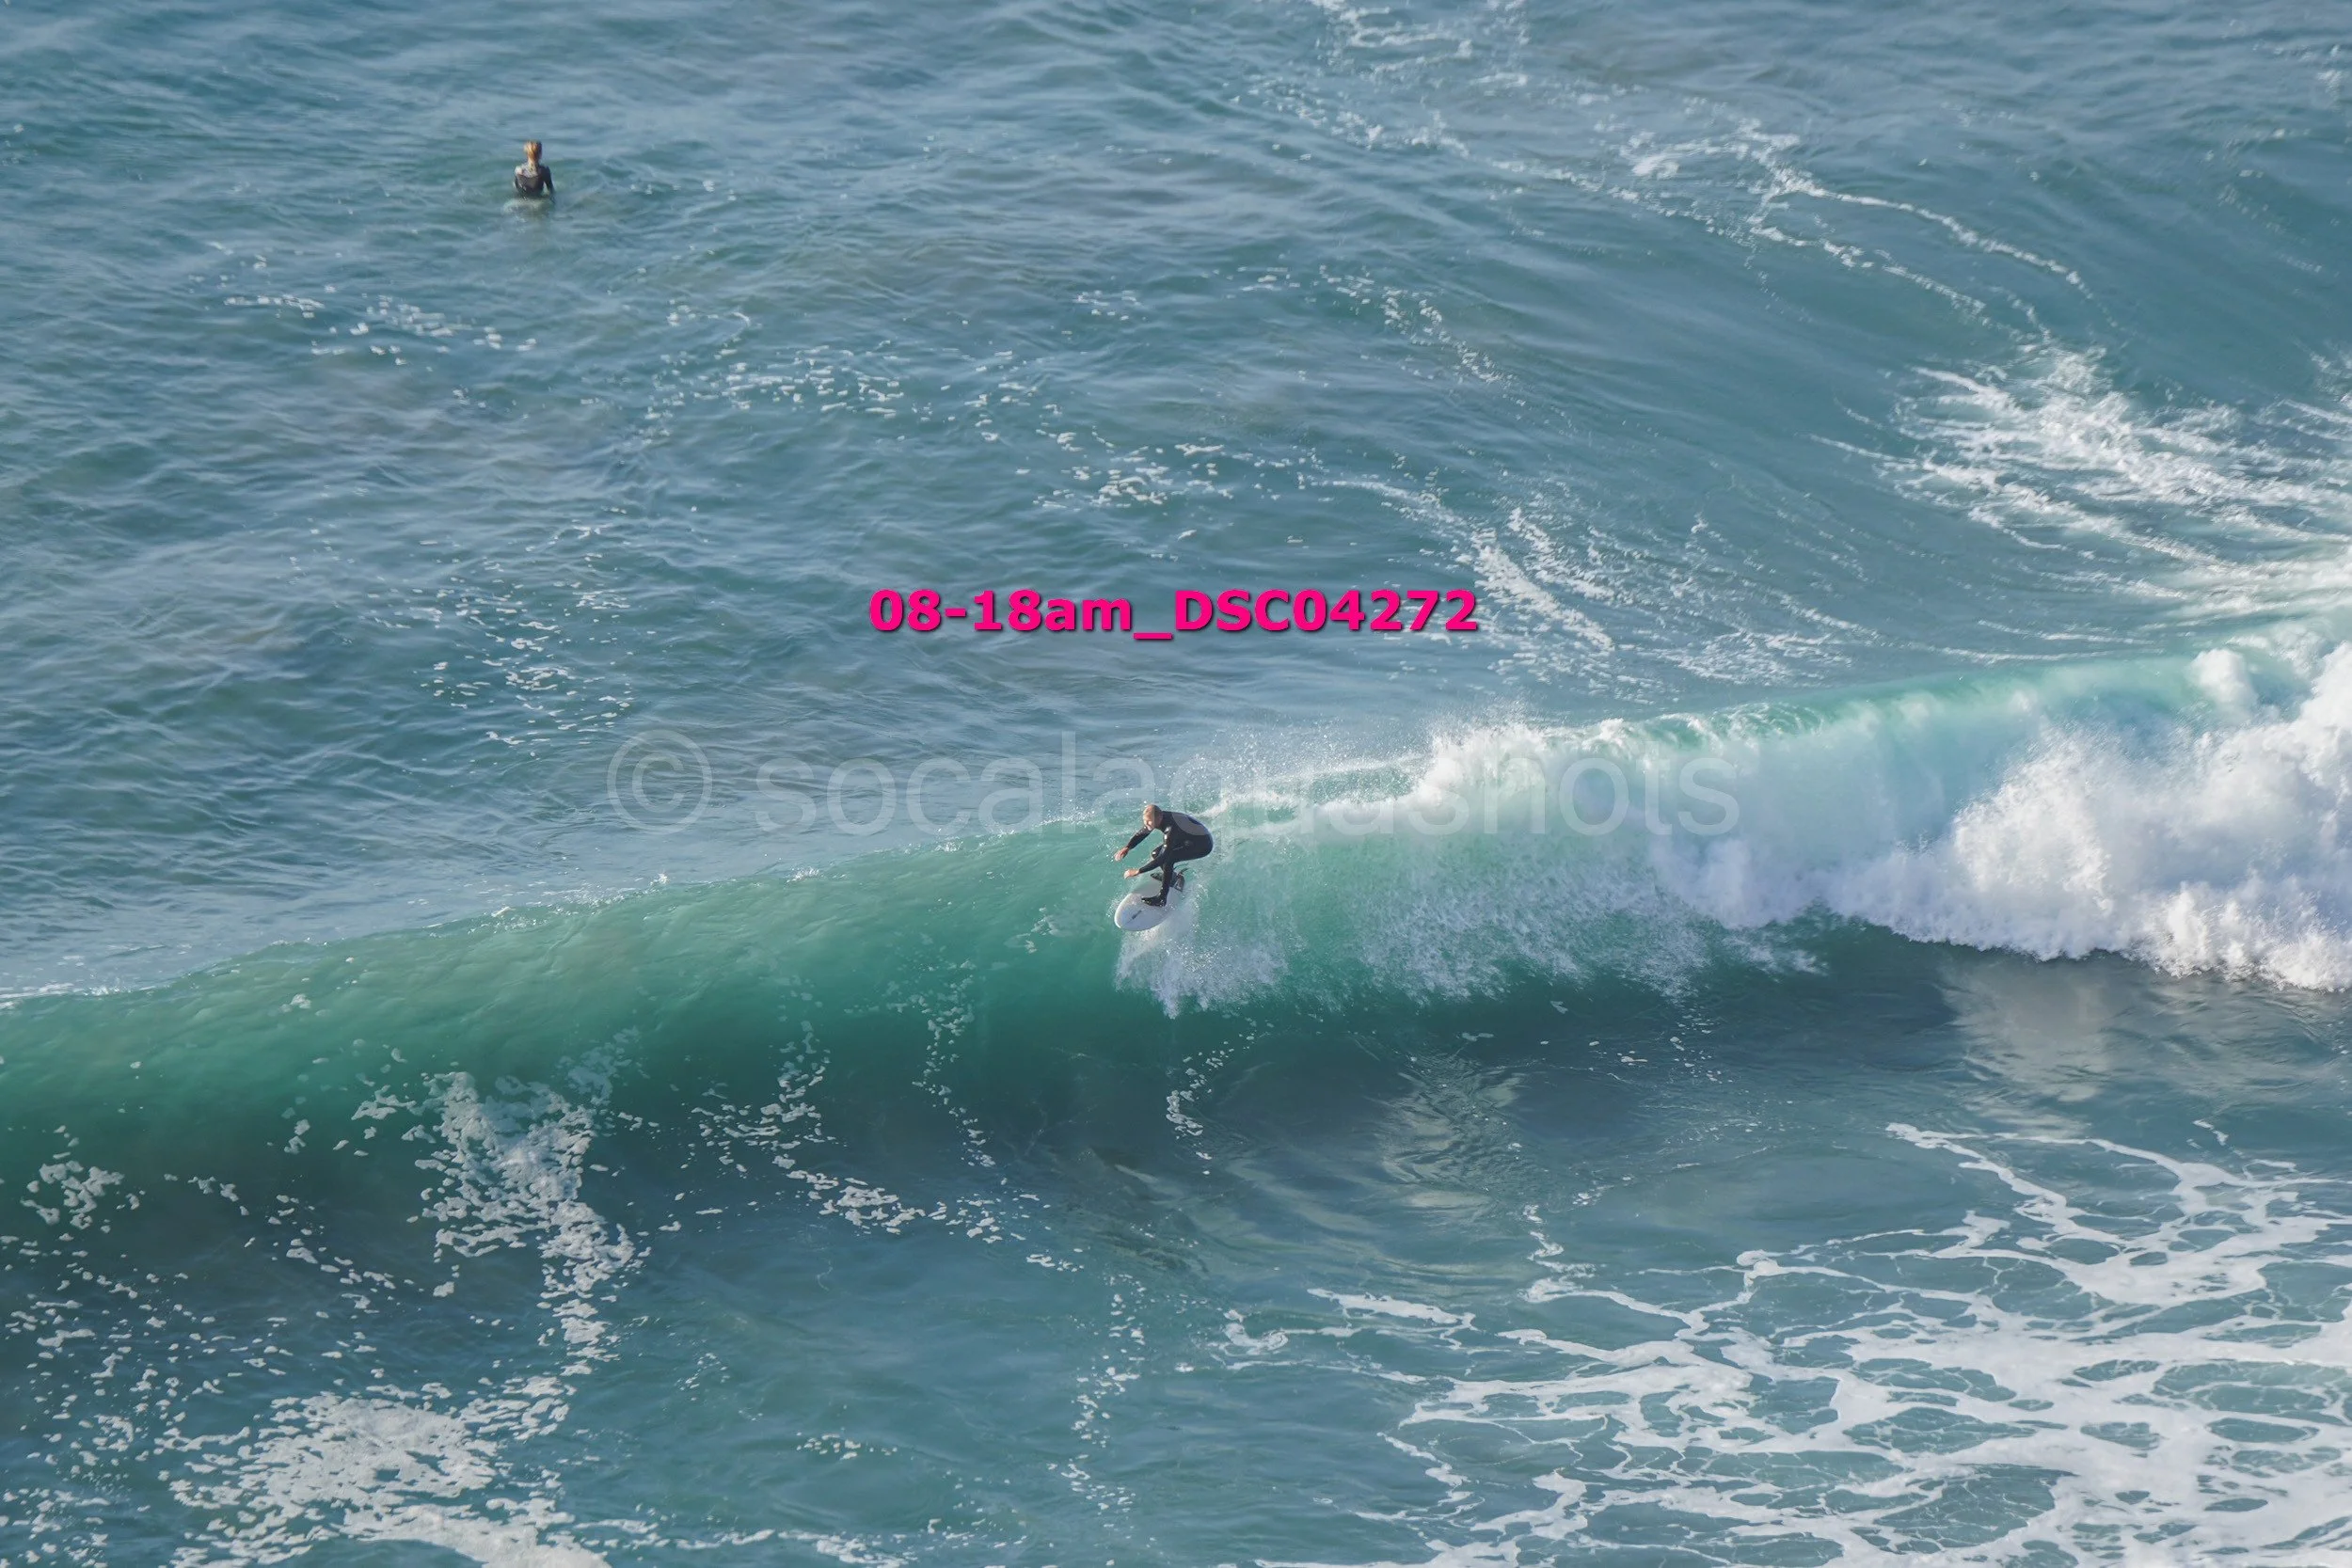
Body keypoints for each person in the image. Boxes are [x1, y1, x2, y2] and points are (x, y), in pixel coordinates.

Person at [1115, 803, 1213, 907]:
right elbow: (1145, 831)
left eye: (1149, 821)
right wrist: (1128, 847)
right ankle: (1172, 878)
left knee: (1168, 858)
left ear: (1159, 817)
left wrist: (1138, 871)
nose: (1146, 824)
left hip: (1202, 845)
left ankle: (1161, 899)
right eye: (1145, 821)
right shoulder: (1157, 817)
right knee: (1156, 853)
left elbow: (1163, 858)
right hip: (1185, 838)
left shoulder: (1170, 829)